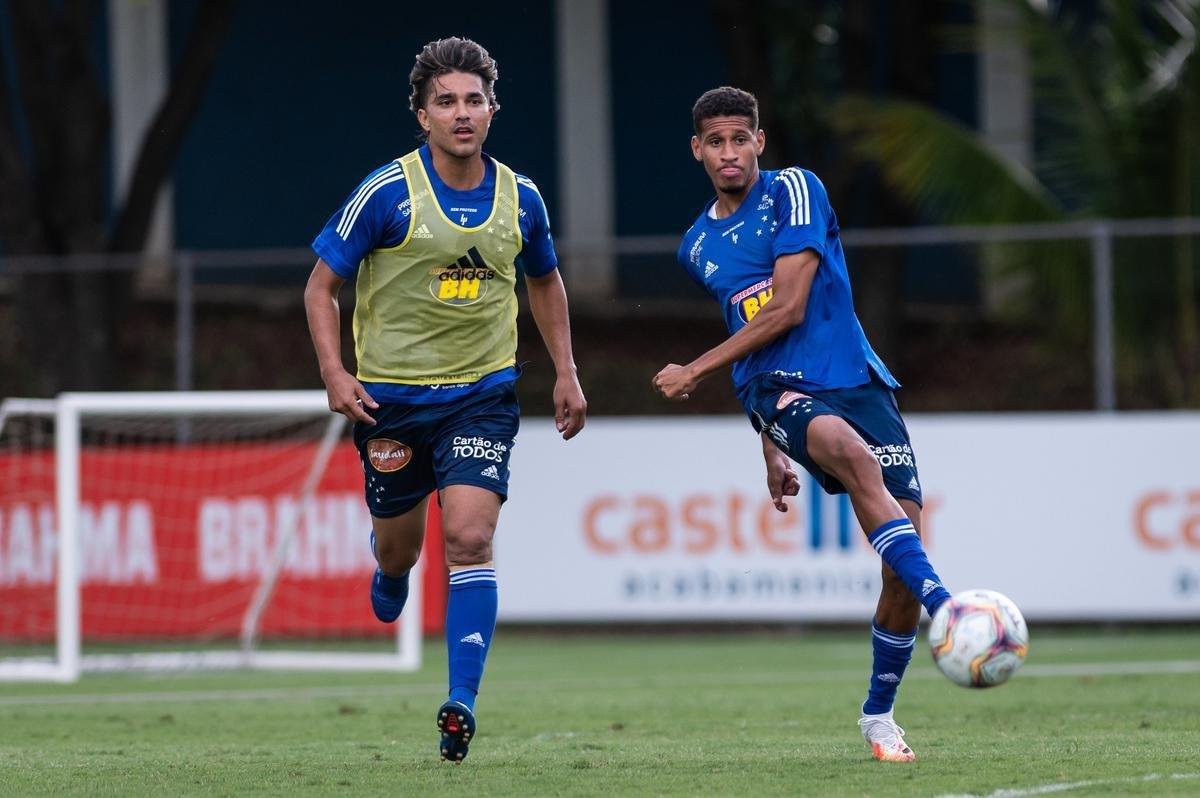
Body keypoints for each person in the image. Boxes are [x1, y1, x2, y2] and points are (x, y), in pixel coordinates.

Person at [304, 36, 586, 764]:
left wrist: (565, 371)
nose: (461, 113)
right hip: (390, 404)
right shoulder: (387, 193)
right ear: (422, 114)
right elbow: (320, 285)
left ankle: (461, 700)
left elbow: (546, 281)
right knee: (402, 549)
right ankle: (390, 569)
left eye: (473, 100)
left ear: (492, 110)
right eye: (446, 102)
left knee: (469, 539)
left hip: (481, 395)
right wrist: (336, 373)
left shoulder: (521, 197)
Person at [652, 86, 952, 763]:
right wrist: (767, 442)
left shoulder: (796, 190)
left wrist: (694, 370)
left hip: (854, 377)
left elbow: (785, 308)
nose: (729, 153)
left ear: (759, 140)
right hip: (774, 388)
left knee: (897, 570)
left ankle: (879, 716)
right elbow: (749, 329)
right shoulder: (697, 245)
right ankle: (952, 608)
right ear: (697, 150)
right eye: (715, 142)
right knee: (853, 457)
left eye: (740, 139)